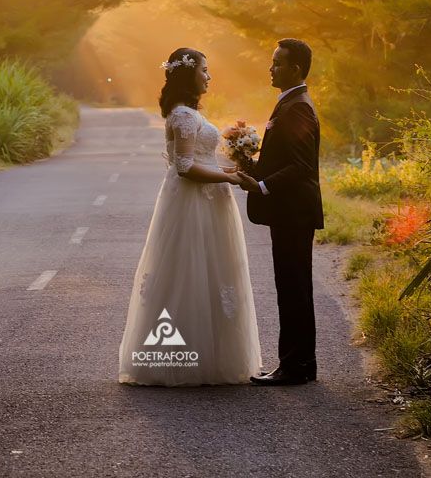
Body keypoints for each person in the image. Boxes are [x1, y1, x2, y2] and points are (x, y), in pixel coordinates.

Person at [118, 47, 262, 386]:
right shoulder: (182, 115)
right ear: (188, 74)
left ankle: (210, 354)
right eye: (204, 70)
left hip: (207, 199)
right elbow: (184, 167)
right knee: (188, 273)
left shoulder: (189, 114)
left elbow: (201, 161)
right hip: (193, 203)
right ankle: (179, 359)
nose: (209, 77)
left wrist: (231, 169)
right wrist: (228, 178)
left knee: (211, 273)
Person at [237, 38, 323, 386]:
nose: (270, 68)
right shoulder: (289, 103)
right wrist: (248, 162)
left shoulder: (298, 107)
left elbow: (301, 167)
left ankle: (296, 367)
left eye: (276, 63)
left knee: (294, 288)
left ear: (295, 69)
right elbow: (283, 159)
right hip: (289, 212)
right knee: (290, 286)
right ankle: (299, 364)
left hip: (294, 213)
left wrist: (260, 186)